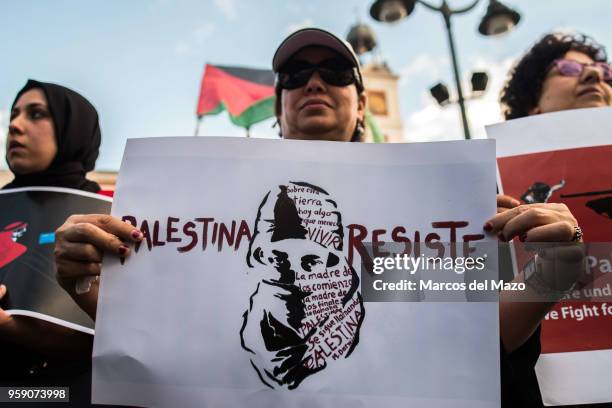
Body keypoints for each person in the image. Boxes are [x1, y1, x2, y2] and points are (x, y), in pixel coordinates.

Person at [53, 28, 582, 405]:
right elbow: (169, 346)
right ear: (279, 107)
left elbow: (480, 347)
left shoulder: (425, 225)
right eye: (294, 75)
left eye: (334, 72)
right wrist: (89, 288)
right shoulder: (194, 210)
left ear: (360, 104)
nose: (313, 83)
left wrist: (552, 272)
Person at [498, 33, 612, 407]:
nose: (594, 78)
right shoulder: (490, 201)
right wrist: (546, 277)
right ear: (532, 105)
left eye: (605, 72)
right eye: (568, 68)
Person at [1, 79, 103, 405]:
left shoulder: (112, 218)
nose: (15, 125)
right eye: (14, 114)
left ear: (72, 129)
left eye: (36, 114)